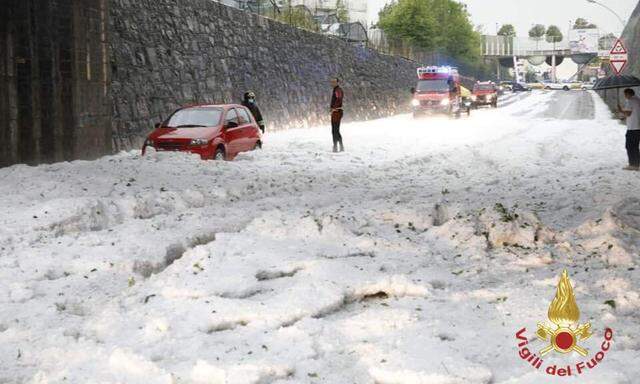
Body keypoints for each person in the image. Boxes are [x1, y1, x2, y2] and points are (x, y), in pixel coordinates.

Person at [618, 88, 640, 171]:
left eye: (625, 94)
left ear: (628, 94)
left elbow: (628, 113)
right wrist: (624, 117)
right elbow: (633, 113)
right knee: (635, 146)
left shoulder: (630, 100)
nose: (625, 96)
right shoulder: (637, 99)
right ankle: (637, 163)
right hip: (638, 126)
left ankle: (633, 165)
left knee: (630, 146)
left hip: (632, 127)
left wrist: (620, 110)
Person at [330, 78, 344, 152]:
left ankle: (337, 146)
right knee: (335, 130)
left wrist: (334, 108)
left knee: (335, 130)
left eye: (334, 82)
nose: (332, 83)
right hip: (336, 112)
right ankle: (339, 146)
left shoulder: (338, 90)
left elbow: (339, 99)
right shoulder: (336, 90)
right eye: (332, 82)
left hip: (337, 112)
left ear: (337, 82)